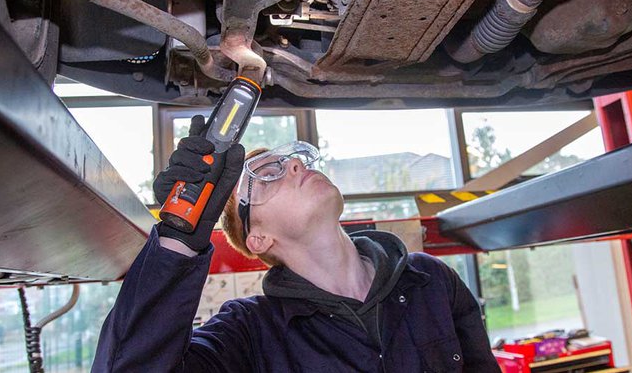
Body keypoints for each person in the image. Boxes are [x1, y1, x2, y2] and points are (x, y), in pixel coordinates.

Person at [92, 115, 500, 372]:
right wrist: (180, 236)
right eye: (269, 172)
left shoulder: (430, 279)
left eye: (294, 160)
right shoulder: (249, 334)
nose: (295, 164)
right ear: (258, 237)